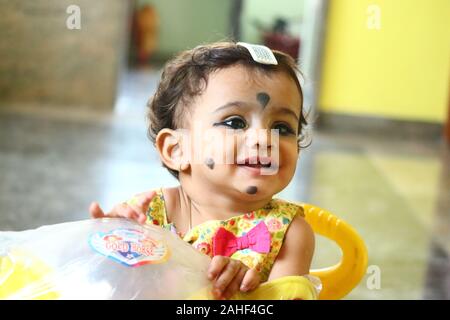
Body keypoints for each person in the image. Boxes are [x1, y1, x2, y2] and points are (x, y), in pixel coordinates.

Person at [90, 42, 316, 300]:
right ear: (177, 150)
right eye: (235, 122)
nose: (264, 139)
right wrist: (105, 249)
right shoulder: (145, 216)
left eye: (283, 128)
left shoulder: (289, 234)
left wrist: (244, 295)